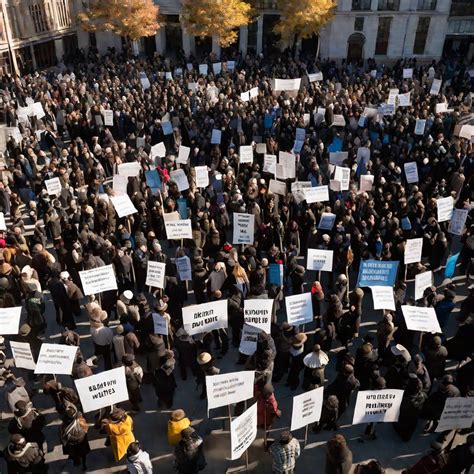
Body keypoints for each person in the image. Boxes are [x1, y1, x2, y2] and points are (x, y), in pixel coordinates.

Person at [59, 404, 90, 470]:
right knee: (83, 454)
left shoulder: (64, 423)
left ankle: (77, 461)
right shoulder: (81, 419)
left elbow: (62, 435)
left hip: (71, 444)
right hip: (81, 441)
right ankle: (84, 464)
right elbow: (86, 429)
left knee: (74, 454)